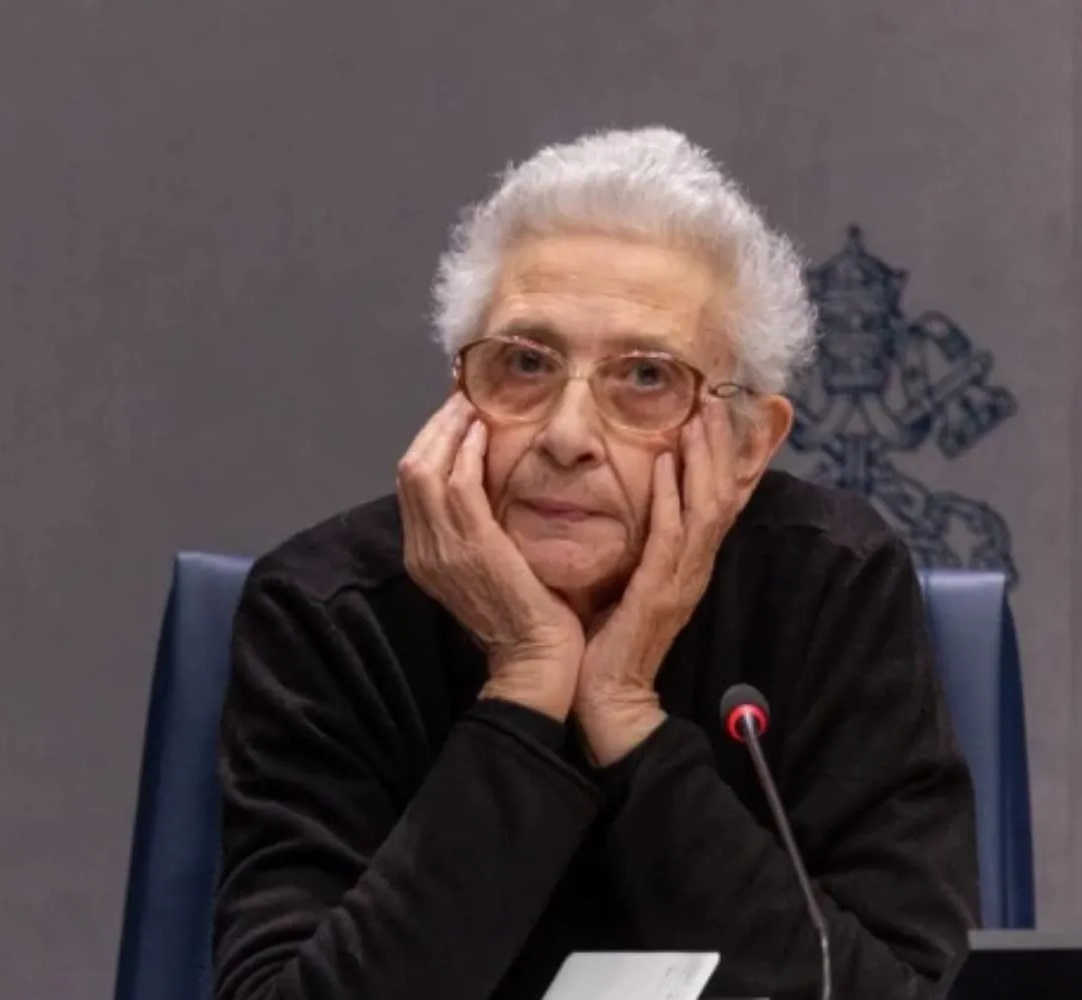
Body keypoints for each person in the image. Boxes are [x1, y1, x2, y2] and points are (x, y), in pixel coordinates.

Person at [212, 127, 979, 1000]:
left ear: (748, 444)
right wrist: (527, 685)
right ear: (461, 395)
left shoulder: (827, 585)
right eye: (525, 364)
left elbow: (887, 989)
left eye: (646, 378)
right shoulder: (330, 610)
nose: (568, 435)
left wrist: (626, 716)